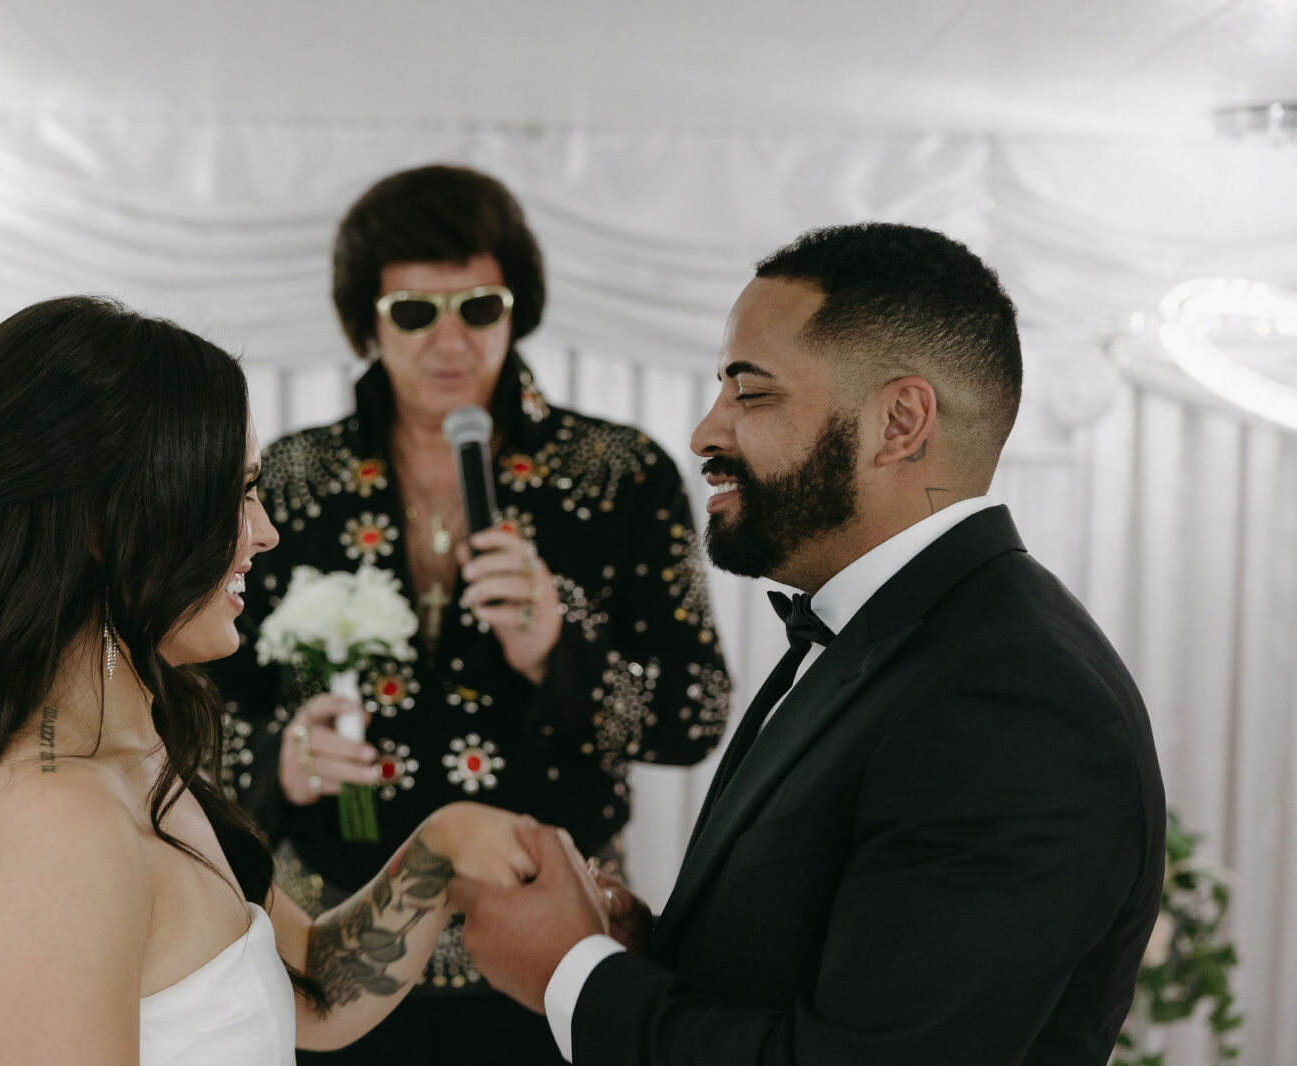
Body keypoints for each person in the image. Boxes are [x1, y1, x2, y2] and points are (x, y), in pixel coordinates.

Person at [0, 296, 541, 1066]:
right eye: (234, 492)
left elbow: (313, 992)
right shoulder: (57, 828)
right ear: (102, 527)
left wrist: (446, 842)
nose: (264, 533)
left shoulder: (139, 760)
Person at [450, 223, 1168, 1065]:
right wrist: (651, 955)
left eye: (750, 394)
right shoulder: (891, 634)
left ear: (898, 422)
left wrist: (572, 974)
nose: (705, 434)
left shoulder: (1015, 700)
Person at [204, 164, 731, 1065]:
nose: (449, 340)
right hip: (330, 944)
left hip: (549, 948)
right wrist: (281, 758)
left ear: (516, 309)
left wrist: (561, 652)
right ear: (365, 319)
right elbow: (192, 705)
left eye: (479, 308)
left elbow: (697, 712)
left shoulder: (619, 473)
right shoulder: (286, 479)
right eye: (415, 312)